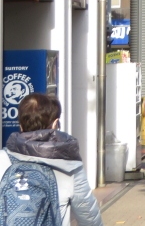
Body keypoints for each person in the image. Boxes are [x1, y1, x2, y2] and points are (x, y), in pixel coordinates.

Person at [0, 93, 103, 226]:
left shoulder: (2, 159)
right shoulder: (69, 166)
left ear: (20, 125)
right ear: (55, 124)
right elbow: (89, 217)